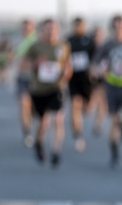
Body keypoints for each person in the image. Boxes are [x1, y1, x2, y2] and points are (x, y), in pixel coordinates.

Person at [24, 18, 71, 168]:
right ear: (42, 30)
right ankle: (38, 141)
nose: (51, 31)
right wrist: (35, 63)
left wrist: (66, 73)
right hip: (39, 89)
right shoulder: (36, 46)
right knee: (43, 122)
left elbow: (68, 65)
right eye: (48, 28)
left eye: (54, 28)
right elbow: (22, 64)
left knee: (57, 119)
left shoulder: (63, 46)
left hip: (56, 88)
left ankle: (56, 152)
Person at [95, 15, 122, 168]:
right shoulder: (107, 45)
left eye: (121, 25)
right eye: (115, 25)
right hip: (112, 86)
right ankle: (115, 153)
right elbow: (98, 63)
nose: (118, 28)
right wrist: (100, 70)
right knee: (113, 121)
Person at [66, 17, 96, 153]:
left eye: (81, 25)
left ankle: (86, 110)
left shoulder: (89, 41)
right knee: (75, 105)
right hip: (73, 79)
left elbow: (96, 57)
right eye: (76, 25)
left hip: (87, 79)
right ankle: (78, 134)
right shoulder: (68, 41)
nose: (78, 28)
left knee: (87, 108)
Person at [13, 19, 38, 146]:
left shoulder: (38, 42)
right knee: (24, 103)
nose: (26, 30)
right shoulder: (19, 43)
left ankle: (32, 121)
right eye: (24, 28)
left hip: (36, 80)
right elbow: (14, 59)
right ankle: (27, 131)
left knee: (34, 108)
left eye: (28, 28)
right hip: (22, 78)